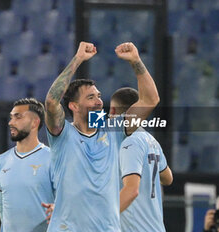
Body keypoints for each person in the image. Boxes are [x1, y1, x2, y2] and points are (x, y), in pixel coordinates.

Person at [44, 41, 160, 231]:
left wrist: (136, 61)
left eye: (98, 96)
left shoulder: (112, 130)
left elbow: (150, 99)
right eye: (91, 97)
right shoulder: (63, 133)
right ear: (73, 106)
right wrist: (78, 59)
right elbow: (51, 101)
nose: (99, 101)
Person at [110, 87, 173, 232]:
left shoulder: (129, 143)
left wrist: (102, 216)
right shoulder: (151, 141)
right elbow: (168, 178)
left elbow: (131, 190)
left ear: (113, 111)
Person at [0, 98, 55, 232]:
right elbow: (2, 208)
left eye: (18, 117)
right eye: (11, 118)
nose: (10, 122)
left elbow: (69, 203)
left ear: (34, 123)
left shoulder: (53, 159)